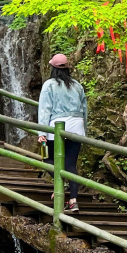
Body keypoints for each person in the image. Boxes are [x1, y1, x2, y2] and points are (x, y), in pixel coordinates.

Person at [38, 54, 87, 211]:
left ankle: (60, 186)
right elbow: (84, 110)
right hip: (77, 125)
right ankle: (73, 200)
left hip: (57, 126)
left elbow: (45, 109)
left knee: (46, 158)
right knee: (70, 164)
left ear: (52, 68)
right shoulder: (77, 85)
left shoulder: (49, 85)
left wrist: (42, 132)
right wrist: (83, 130)